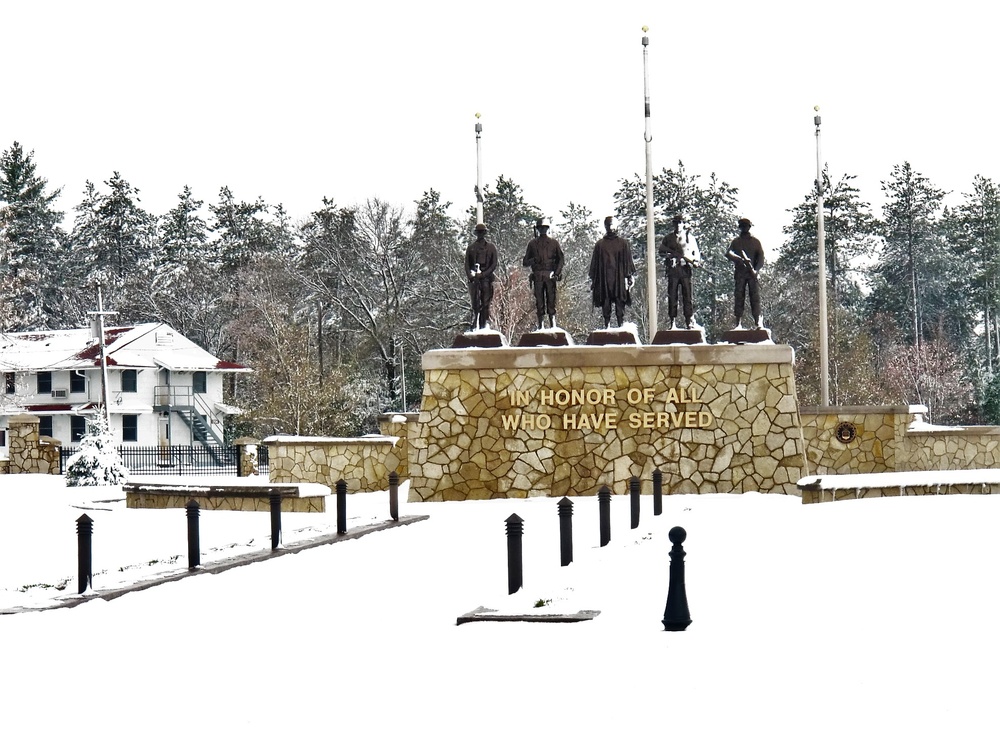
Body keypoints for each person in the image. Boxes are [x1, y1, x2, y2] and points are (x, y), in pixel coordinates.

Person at [589, 216, 635, 328]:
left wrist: (629, 276)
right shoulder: (600, 245)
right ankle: (607, 325)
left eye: (611, 224)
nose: (610, 227)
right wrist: (594, 280)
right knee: (606, 301)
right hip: (605, 279)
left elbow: (627, 262)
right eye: (608, 225)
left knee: (619, 302)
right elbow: (595, 264)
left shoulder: (623, 243)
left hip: (619, 278)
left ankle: (620, 325)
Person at [522, 217, 565, 329]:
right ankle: (541, 325)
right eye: (541, 228)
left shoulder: (554, 243)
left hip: (550, 276)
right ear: (538, 229)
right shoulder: (532, 244)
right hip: (538, 276)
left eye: (545, 228)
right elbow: (525, 262)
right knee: (539, 301)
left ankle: (553, 323)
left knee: (551, 300)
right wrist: (533, 260)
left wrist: (557, 273)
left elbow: (561, 259)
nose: (543, 230)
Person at [659, 215, 701, 329]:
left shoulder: (690, 238)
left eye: (680, 222)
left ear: (683, 224)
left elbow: (696, 252)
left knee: (687, 297)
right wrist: (670, 256)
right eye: (676, 223)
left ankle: (689, 321)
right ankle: (672, 321)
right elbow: (661, 252)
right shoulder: (668, 238)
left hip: (685, 270)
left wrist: (696, 261)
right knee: (672, 297)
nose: (678, 225)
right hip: (673, 271)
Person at [726, 217, 765, 329]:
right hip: (740, 274)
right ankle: (738, 322)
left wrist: (756, 270)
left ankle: (757, 321)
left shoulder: (755, 242)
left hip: (752, 274)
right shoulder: (736, 242)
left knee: (755, 298)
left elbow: (761, 258)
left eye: (746, 226)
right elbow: (728, 253)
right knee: (739, 297)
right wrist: (739, 259)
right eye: (742, 226)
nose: (744, 228)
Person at [465, 223, 498, 330]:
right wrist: (471, 276)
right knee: (475, 303)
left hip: (486, 279)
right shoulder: (471, 248)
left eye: (482, 232)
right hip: (475, 280)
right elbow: (467, 264)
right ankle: (476, 322)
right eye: (478, 232)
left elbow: (493, 264)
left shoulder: (491, 247)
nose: (480, 234)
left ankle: (484, 323)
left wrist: (484, 274)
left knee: (485, 302)